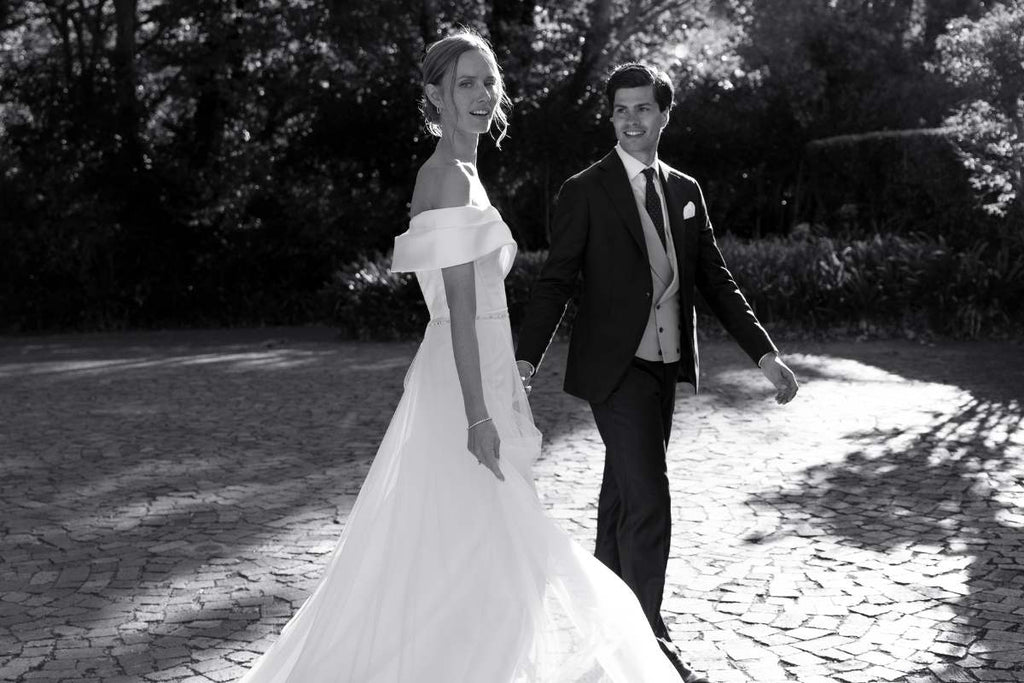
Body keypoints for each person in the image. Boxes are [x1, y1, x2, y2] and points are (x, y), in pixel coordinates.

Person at [238, 32, 684, 683]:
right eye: (467, 83)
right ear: (435, 96)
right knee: (501, 539)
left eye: (488, 81)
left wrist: (504, 390)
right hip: (461, 382)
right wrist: (479, 413)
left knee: (474, 545)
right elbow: (454, 312)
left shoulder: (468, 173)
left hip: (484, 374)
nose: (482, 95)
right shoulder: (445, 177)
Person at [515, 62, 799, 682]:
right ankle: (649, 636)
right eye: (620, 109)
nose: (631, 119)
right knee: (650, 498)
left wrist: (764, 352)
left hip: (666, 366)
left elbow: (715, 279)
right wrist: (524, 356)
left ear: (664, 114)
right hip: (614, 368)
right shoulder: (583, 190)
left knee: (622, 493)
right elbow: (557, 279)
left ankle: (602, 619)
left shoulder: (686, 190)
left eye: (643, 108)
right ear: (611, 117)